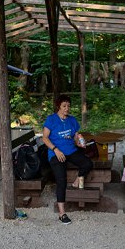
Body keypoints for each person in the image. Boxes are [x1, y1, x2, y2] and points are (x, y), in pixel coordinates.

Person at [42, 95, 93, 224]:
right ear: (58, 106)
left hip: (71, 151)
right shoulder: (51, 120)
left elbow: (75, 137)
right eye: (64, 106)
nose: (67, 108)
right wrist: (55, 150)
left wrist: (80, 142)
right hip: (56, 153)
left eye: (68, 106)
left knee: (87, 163)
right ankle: (62, 213)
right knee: (61, 180)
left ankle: (76, 181)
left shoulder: (72, 120)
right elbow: (45, 138)